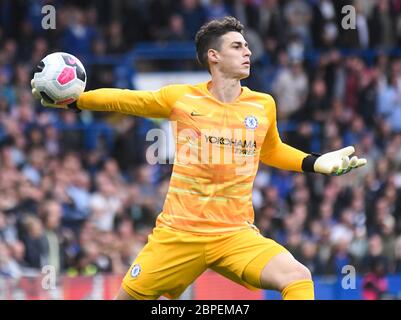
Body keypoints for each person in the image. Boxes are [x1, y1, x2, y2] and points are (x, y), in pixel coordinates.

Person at [31, 16, 367, 300]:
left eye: (246, 45)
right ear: (213, 56)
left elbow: (272, 150)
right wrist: (76, 102)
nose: (248, 51)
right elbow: (126, 100)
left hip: (234, 234)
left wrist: (315, 161)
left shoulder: (263, 104)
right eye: (237, 46)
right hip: (179, 233)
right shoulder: (181, 99)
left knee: (297, 276)